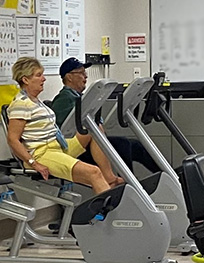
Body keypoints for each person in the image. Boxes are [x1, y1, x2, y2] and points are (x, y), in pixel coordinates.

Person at [6, 57, 122, 194]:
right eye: (39, 75)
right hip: (41, 154)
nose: (44, 79)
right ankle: (108, 212)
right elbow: (12, 139)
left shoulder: (36, 101)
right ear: (25, 80)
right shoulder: (21, 104)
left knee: (93, 129)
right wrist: (33, 163)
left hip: (58, 146)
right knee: (94, 172)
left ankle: (109, 178)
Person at [51, 57, 159, 174]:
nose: (85, 76)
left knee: (136, 146)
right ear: (69, 77)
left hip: (92, 142)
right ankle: (127, 184)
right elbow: (63, 130)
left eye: (85, 72)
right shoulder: (64, 98)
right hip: (81, 147)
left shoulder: (80, 97)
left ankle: (166, 174)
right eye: (81, 73)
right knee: (123, 144)